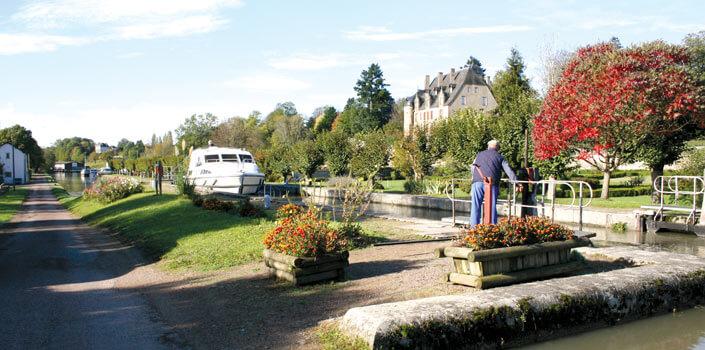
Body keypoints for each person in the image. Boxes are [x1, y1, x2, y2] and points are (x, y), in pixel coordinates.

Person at [470, 140, 517, 227]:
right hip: (491, 184)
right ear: (498, 148)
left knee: (475, 205)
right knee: (491, 206)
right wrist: (517, 182)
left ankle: (473, 228)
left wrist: (474, 177)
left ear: (488, 146)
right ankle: (491, 227)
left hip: (477, 183)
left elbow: (473, 167)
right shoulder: (500, 157)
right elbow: (509, 171)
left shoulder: (479, 154)